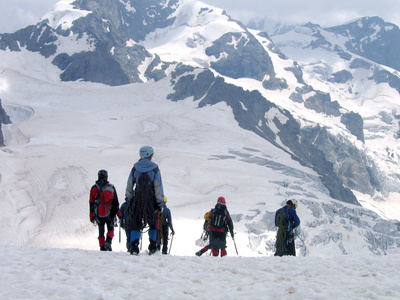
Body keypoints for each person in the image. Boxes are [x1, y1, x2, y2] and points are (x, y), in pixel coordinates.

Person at [124, 146, 164, 255]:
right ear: (151, 155)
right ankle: (152, 246)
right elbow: (158, 187)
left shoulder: (135, 168)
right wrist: (159, 202)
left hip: (137, 199)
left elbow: (129, 185)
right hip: (150, 200)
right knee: (152, 222)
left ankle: (134, 246)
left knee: (136, 222)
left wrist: (130, 199)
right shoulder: (155, 168)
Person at [89, 169, 121, 251]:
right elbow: (116, 203)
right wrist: (118, 215)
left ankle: (102, 246)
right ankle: (108, 242)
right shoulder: (111, 187)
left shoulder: (94, 188)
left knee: (101, 230)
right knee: (110, 229)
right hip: (109, 214)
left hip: (98, 214)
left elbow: (91, 203)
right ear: (106, 177)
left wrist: (91, 216)